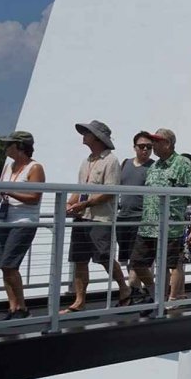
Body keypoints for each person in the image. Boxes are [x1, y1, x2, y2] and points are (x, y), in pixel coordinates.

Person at [63, 120, 123, 313]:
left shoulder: (111, 160)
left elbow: (110, 192)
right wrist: (70, 203)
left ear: (97, 137)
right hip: (82, 217)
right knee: (79, 259)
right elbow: (80, 188)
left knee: (104, 257)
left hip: (100, 217)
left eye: (87, 132)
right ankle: (79, 300)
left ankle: (124, 288)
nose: (84, 135)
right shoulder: (87, 160)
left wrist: (85, 203)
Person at [134, 128, 191, 302]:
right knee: (137, 264)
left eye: (156, 141)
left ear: (168, 143)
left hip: (171, 227)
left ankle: (172, 299)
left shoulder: (182, 163)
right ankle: (156, 292)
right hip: (148, 226)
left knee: (172, 264)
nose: (152, 145)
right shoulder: (154, 166)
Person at [0, 131, 45, 319]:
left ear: (20, 146)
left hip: (24, 221)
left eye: (9, 144)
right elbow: (1, 194)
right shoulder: (8, 166)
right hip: (5, 220)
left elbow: (34, 197)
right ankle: (13, 306)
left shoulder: (35, 168)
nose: (5, 148)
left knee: (10, 264)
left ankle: (22, 307)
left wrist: (9, 191)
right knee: (4, 266)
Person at [115, 131, 155, 303]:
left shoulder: (154, 167)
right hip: (123, 217)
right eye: (141, 146)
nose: (145, 149)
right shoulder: (125, 164)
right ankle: (137, 292)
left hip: (141, 219)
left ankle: (136, 290)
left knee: (138, 258)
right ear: (134, 147)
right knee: (127, 258)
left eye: (149, 147)